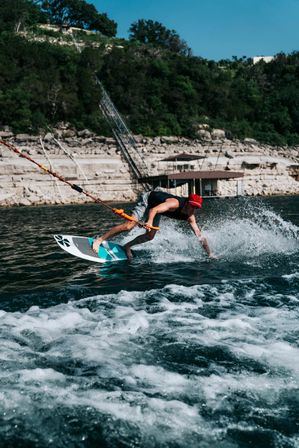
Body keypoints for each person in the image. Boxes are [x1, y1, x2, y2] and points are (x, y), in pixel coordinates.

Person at [92, 190, 215, 259]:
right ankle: (99, 240)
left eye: (196, 208)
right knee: (129, 225)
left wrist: (209, 253)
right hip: (148, 201)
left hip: (157, 208)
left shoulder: (190, 217)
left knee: (150, 236)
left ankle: (127, 246)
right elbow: (153, 210)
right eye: (193, 206)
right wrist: (149, 222)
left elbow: (199, 235)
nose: (193, 210)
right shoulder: (174, 204)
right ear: (187, 203)